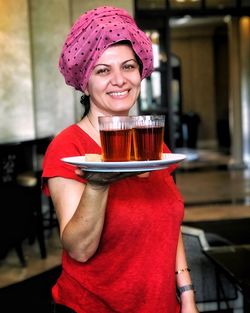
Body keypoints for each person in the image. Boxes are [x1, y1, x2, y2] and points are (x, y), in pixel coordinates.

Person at [42, 6, 199, 313]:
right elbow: (80, 249)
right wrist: (97, 186)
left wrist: (188, 295)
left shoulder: (151, 141)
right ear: (84, 83)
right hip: (93, 307)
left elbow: (168, 224)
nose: (119, 80)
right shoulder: (68, 147)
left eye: (128, 67)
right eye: (102, 70)